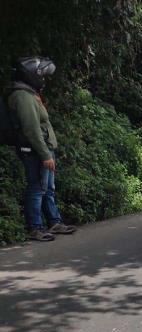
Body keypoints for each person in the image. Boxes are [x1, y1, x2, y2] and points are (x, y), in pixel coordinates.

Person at [7, 56, 76, 241]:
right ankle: (35, 228)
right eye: (41, 76)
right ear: (30, 75)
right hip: (35, 151)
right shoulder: (22, 97)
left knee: (48, 188)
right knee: (37, 188)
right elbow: (32, 129)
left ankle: (54, 222)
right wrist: (45, 154)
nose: (44, 80)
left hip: (43, 149)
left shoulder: (30, 94)